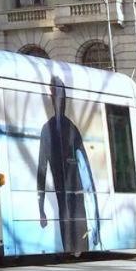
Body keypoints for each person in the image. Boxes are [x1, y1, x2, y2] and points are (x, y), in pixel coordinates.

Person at [36, 77, 100, 255]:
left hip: (77, 198)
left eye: (62, 95)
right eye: (57, 94)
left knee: (80, 245)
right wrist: (41, 208)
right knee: (69, 243)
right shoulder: (47, 130)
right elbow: (41, 170)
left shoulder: (72, 128)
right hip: (63, 201)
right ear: (52, 97)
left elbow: (86, 171)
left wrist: (95, 218)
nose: (60, 100)